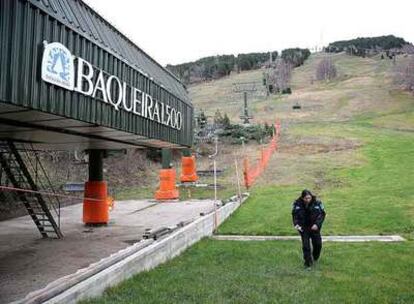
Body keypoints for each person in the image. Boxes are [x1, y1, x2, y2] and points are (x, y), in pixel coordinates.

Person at [292, 189, 326, 268]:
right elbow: (294, 216)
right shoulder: (297, 204)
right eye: (306, 198)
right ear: (302, 198)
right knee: (306, 246)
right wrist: (297, 225)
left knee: (318, 244)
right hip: (303, 227)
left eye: (309, 198)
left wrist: (317, 224)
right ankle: (308, 263)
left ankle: (315, 257)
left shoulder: (317, 203)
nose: (308, 200)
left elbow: (322, 215)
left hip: (314, 227)